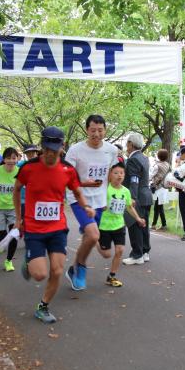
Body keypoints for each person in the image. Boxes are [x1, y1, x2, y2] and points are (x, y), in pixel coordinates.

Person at [14, 127, 94, 324]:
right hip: (34, 228)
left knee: (57, 270)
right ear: (42, 146)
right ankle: (30, 260)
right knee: (40, 274)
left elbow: (76, 191)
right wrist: (18, 218)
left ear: (62, 147)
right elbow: (16, 190)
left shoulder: (68, 169)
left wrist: (86, 207)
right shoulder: (28, 168)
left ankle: (43, 307)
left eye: (54, 149)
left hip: (57, 227)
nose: (50, 153)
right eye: (47, 149)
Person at [64, 115, 119, 290]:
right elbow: (66, 177)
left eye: (100, 130)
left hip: (100, 201)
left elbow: (112, 174)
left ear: (105, 131)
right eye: (93, 130)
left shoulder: (111, 150)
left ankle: (73, 269)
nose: (96, 134)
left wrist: (115, 195)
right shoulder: (75, 150)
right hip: (79, 198)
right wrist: (84, 183)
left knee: (104, 252)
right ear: (87, 130)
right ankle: (80, 267)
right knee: (94, 235)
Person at [99, 163, 147, 287]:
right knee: (106, 254)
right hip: (104, 226)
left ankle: (112, 276)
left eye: (121, 173)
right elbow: (97, 204)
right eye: (116, 173)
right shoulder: (105, 189)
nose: (119, 175)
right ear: (109, 175)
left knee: (120, 250)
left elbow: (129, 207)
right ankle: (94, 240)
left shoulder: (126, 191)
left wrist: (138, 219)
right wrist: (101, 207)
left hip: (119, 225)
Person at [121, 132, 153, 264]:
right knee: (143, 224)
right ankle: (145, 252)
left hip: (137, 195)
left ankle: (137, 255)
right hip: (146, 195)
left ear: (131, 144)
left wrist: (132, 197)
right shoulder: (144, 158)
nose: (126, 146)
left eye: (127, 143)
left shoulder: (133, 159)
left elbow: (134, 179)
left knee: (134, 224)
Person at [150, 149, 171, 230]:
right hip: (164, 188)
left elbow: (150, 176)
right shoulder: (168, 165)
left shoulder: (157, 165)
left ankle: (154, 225)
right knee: (159, 206)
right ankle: (163, 225)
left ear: (158, 156)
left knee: (157, 207)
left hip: (158, 188)